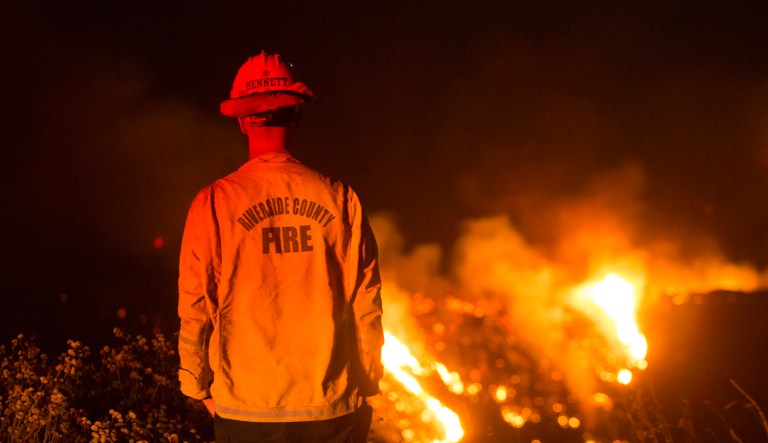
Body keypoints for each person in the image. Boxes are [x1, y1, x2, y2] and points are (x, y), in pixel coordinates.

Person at [177, 51, 384, 443]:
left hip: (245, 408)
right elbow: (366, 302)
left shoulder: (214, 203)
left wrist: (197, 386)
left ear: (242, 120)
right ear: (298, 115)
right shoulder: (341, 199)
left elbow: (195, 305)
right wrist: (368, 380)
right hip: (330, 408)